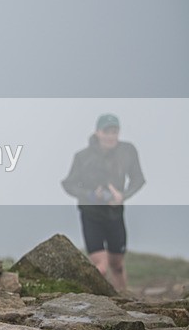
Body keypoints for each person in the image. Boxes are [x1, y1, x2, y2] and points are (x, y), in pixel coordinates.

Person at [61, 113, 145, 292]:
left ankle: (124, 298)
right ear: (98, 132)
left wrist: (123, 196)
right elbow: (68, 184)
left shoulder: (127, 151)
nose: (111, 136)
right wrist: (91, 195)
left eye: (114, 131)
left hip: (115, 213)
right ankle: (102, 302)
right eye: (107, 131)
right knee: (101, 266)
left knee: (117, 265)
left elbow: (138, 179)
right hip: (91, 213)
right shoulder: (82, 157)